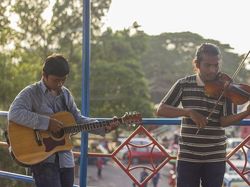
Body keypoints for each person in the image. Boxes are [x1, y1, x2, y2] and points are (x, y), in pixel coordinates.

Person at [8, 54, 119, 187]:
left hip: (66, 160)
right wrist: (47, 123)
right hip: (43, 160)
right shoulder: (31, 93)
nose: (60, 84)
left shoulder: (66, 94)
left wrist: (104, 127)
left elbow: (77, 119)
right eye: (56, 80)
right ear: (44, 75)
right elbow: (14, 113)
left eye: (63, 80)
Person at [156, 43, 250, 187]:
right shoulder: (184, 84)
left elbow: (225, 121)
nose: (213, 70)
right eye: (208, 65)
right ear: (197, 64)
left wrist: (246, 112)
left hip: (215, 157)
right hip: (188, 157)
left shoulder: (226, 87)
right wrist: (188, 112)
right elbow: (161, 109)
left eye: (216, 65)